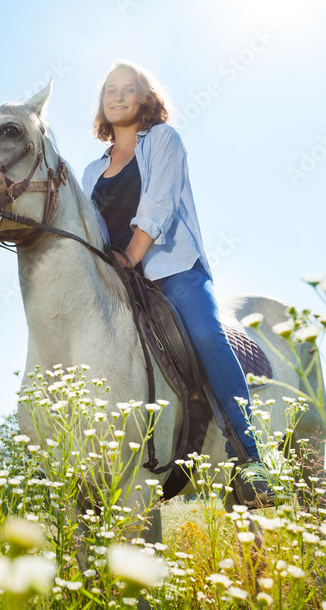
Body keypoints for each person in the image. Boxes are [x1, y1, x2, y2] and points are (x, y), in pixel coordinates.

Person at [81, 59, 273, 508]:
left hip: (173, 270)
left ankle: (249, 457)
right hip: (118, 280)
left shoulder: (163, 140)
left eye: (128, 88)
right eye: (110, 89)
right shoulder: (91, 171)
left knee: (207, 333)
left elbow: (159, 203)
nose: (117, 95)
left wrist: (130, 255)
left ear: (146, 99)